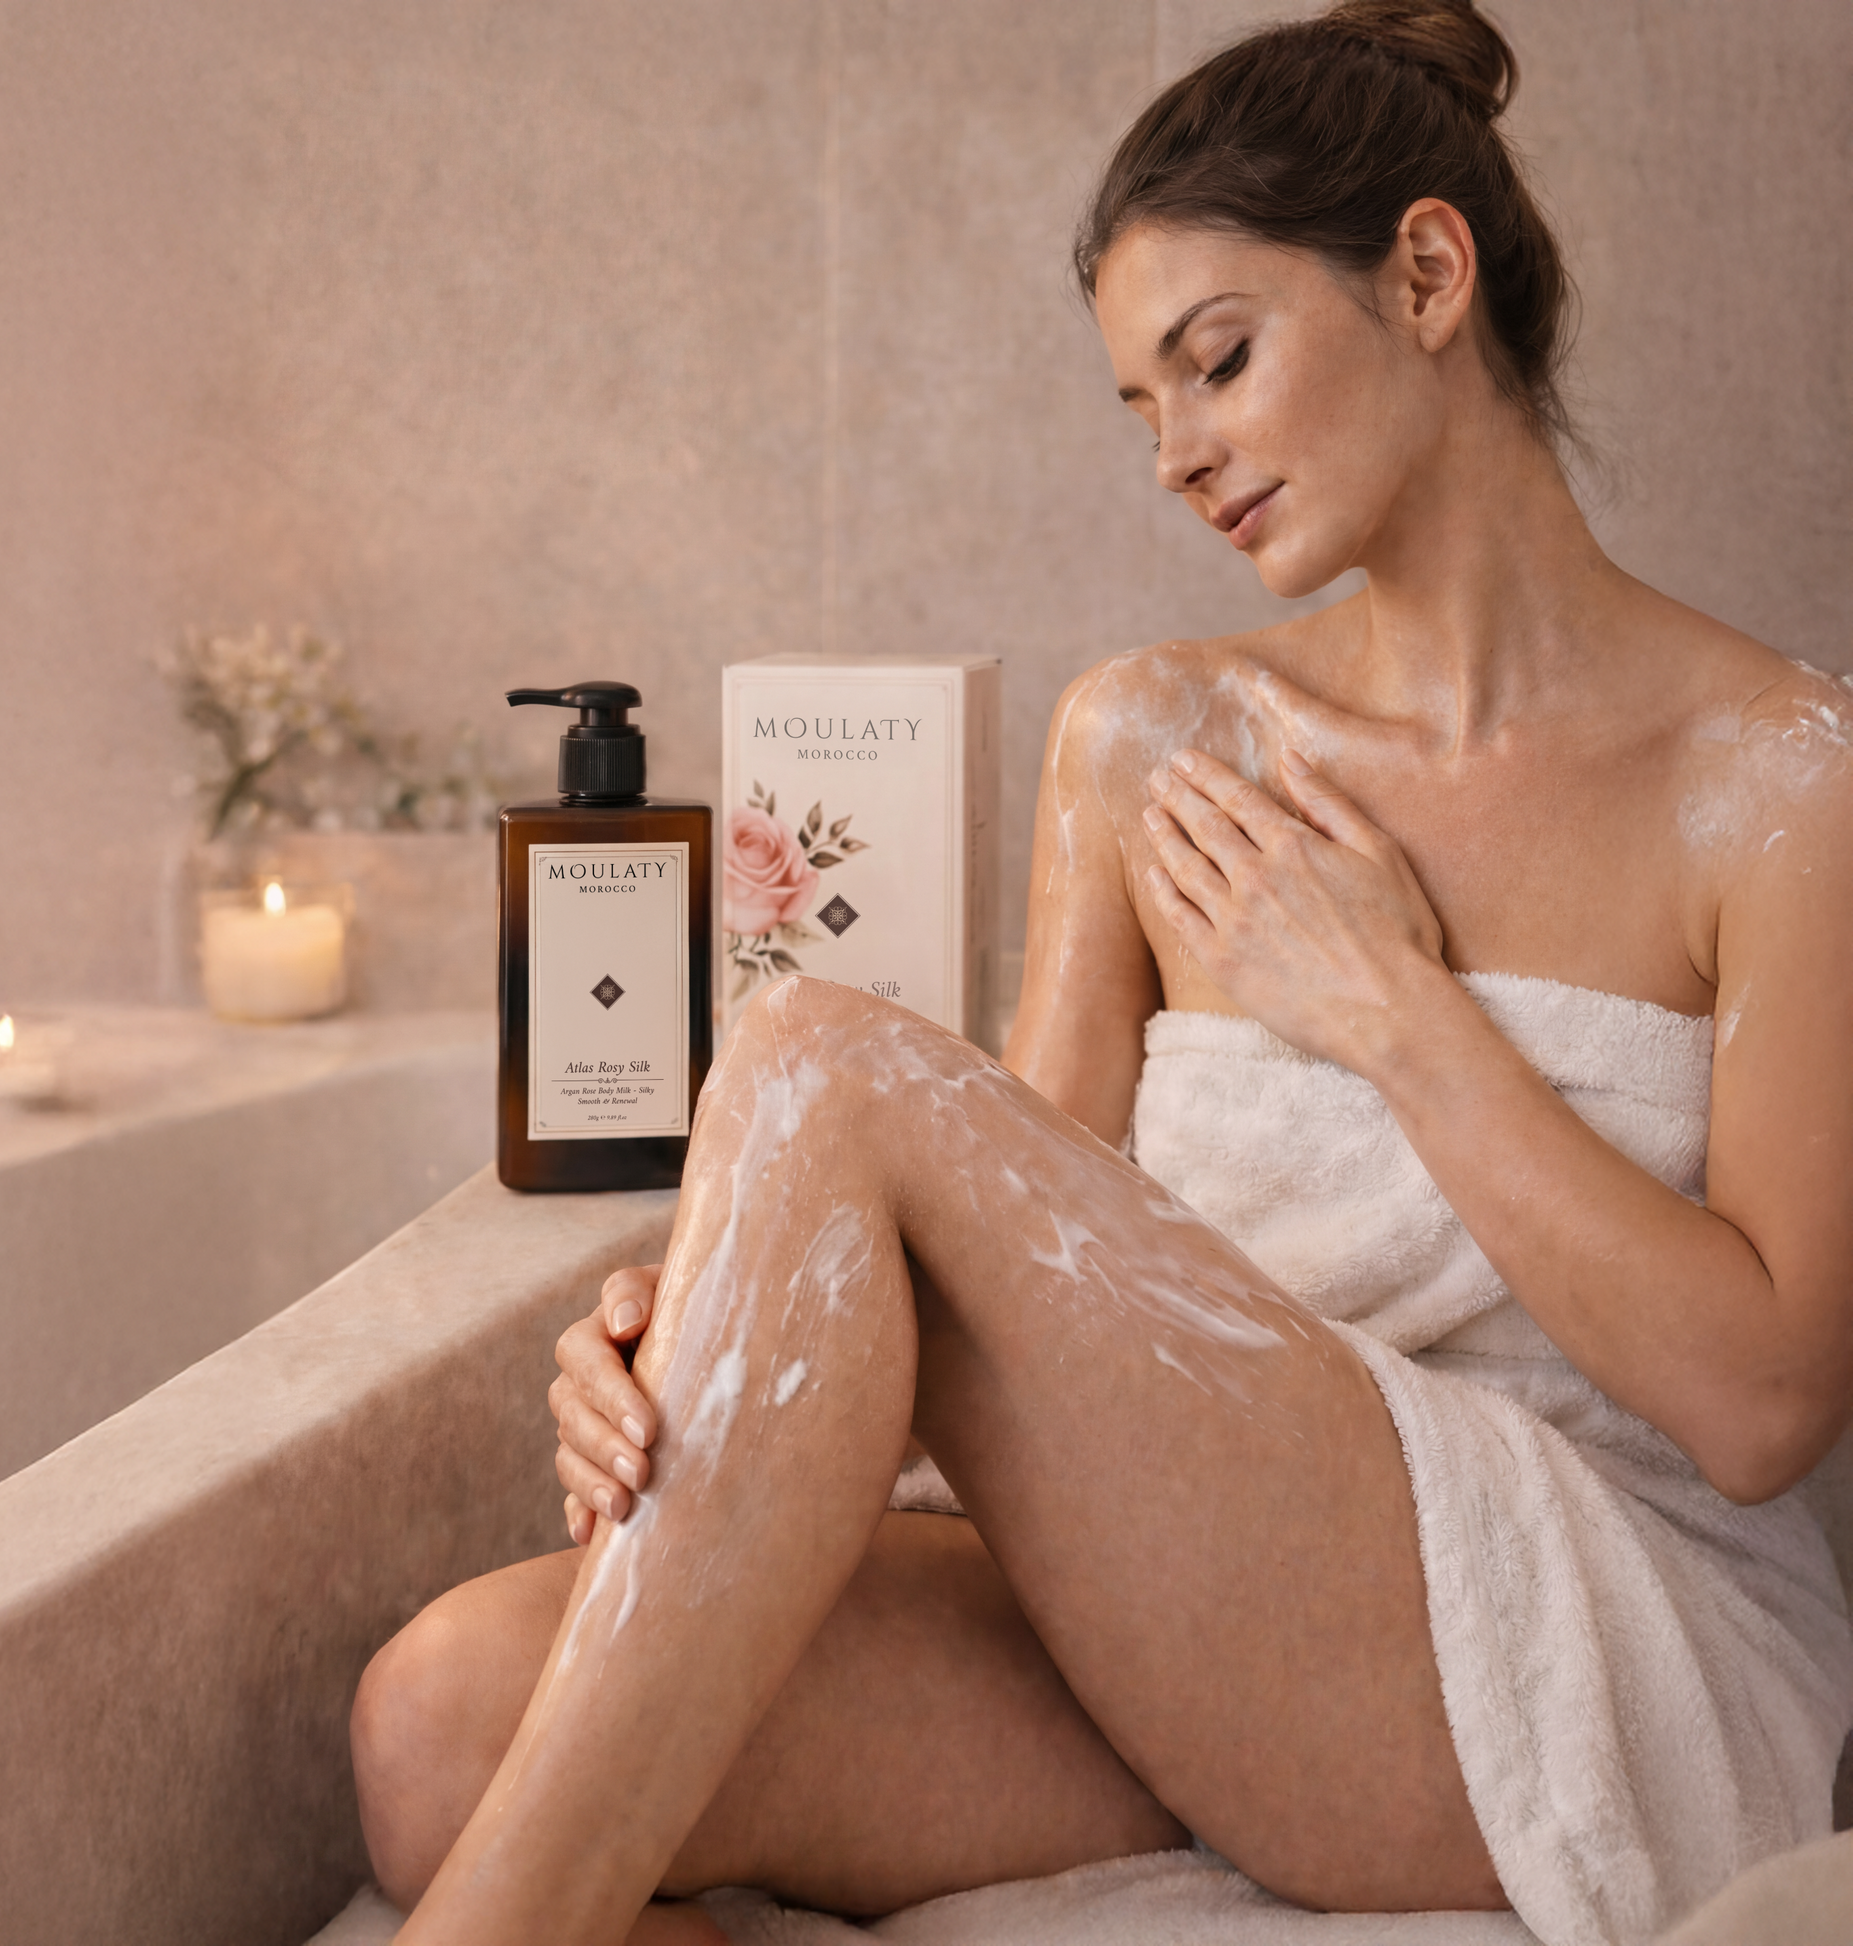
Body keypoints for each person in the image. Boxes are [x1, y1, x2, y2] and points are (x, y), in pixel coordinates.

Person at [348, 4, 1853, 1942]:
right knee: (434, 1727)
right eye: (1140, 409)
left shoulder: (1775, 780)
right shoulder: (1148, 742)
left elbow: (1761, 1407)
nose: (1175, 458)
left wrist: (1393, 1014)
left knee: (821, 1056)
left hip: (1564, 1648)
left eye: (1214, 362)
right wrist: (714, 1341)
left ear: (1422, 273)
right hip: (1177, 1619)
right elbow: (1012, 1294)